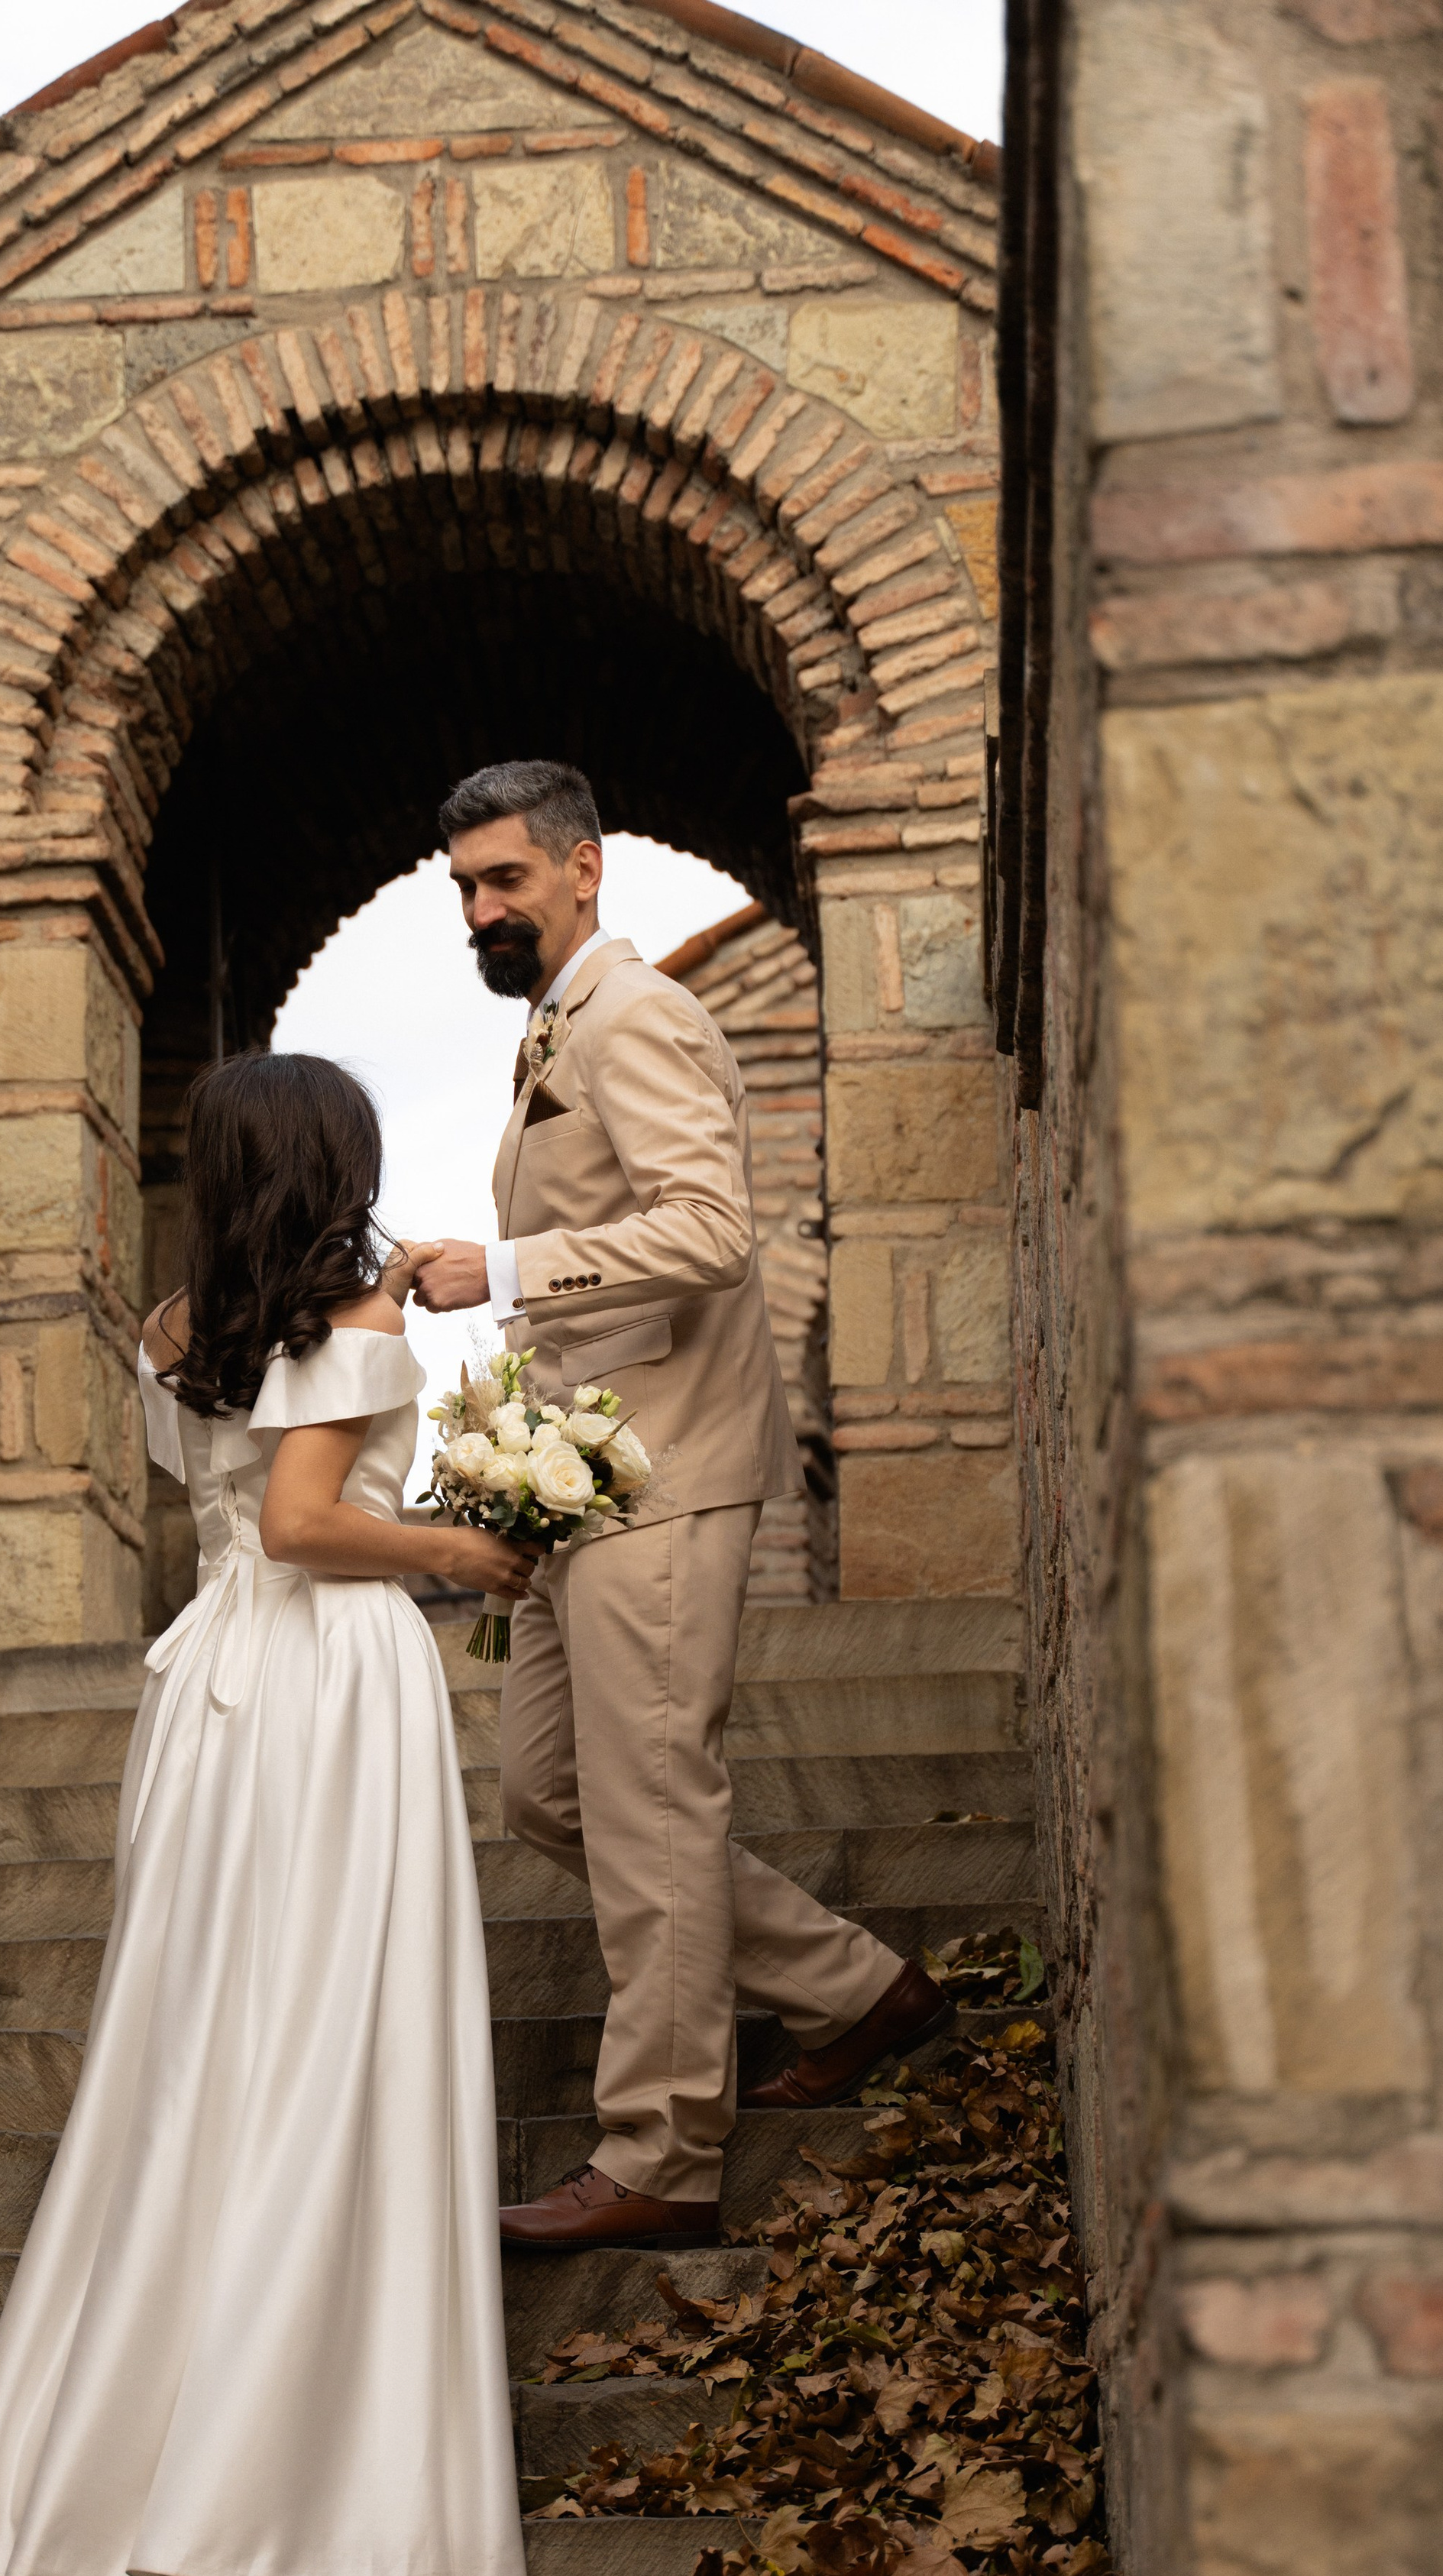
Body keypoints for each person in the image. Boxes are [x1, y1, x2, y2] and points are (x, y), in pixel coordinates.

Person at [0, 1051, 531, 2576]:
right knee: (332, 2035)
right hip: (329, 1681)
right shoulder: (357, 1323)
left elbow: (218, 1502)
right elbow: (302, 1524)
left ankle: (112, 2461)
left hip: (209, 1687)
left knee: (200, 2041)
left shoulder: (169, 1331)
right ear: (337, 1159)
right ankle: (288, 2479)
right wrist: (462, 1545)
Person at [413, 759, 956, 2254]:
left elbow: (708, 1231)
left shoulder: (636, 1012)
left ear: (582, 870)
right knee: (549, 1790)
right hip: (577, 1486)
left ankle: (659, 2147)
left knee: (652, 1801)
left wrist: (502, 1271)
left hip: (668, 1473)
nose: (480, 907)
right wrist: (511, 1477)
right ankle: (857, 1986)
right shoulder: (552, 1025)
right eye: (461, 886)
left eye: (503, 878)